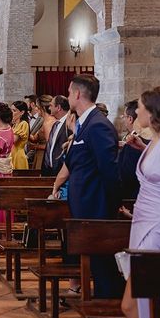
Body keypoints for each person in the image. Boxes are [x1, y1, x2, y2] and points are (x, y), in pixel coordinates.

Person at [121, 87, 160, 318]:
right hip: (143, 222)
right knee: (135, 303)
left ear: (153, 112)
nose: (137, 110)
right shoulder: (157, 140)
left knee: (143, 302)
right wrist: (142, 150)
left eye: (141, 107)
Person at [66, 74, 123, 299]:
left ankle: (106, 313)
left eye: (70, 92)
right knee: (97, 266)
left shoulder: (98, 125)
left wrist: (110, 206)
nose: (68, 96)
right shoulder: (84, 124)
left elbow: (110, 171)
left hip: (96, 207)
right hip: (86, 206)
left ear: (78, 94)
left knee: (103, 267)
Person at [117, 100, 148, 200]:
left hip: (132, 197)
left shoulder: (134, 141)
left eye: (124, 116)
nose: (123, 119)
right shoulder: (145, 138)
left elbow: (128, 175)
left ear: (130, 119)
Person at [41, 95, 70, 177]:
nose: (49, 108)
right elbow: (50, 146)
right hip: (49, 170)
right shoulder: (56, 124)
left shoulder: (70, 124)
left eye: (51, 105)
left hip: (61, 171)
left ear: (58, 107)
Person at [9, 101, 30, 170]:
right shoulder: (14, 125)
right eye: (11, 110)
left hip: (18, 154)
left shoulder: (23, 124)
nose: (11, 112)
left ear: (22, 112)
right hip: (12, 153)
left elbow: (13, 140)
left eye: (14, 110)